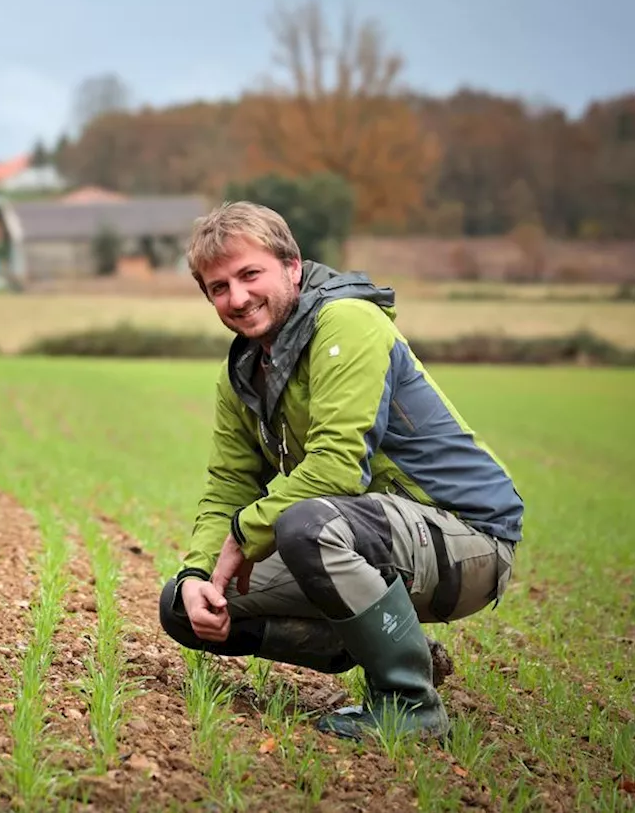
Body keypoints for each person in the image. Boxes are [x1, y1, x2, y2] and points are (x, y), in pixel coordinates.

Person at [159, 202, 522, 739]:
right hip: (369, 535)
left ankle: (411, 705)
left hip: (467, 537)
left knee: (306, 525)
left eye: (250, 274)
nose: (237, 297)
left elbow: (336, 467)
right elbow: (227, 487)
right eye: (218, 287)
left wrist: (243, 532)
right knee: (186, 609)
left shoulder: (347, 322)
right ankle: (391, 644)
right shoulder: (240, 373)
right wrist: (197, 573)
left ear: (293, 267)